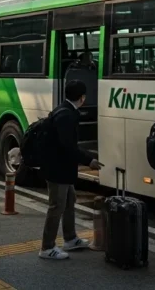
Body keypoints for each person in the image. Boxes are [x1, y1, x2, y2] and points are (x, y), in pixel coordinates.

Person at [39, 80, 101, 260]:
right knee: (57, 205)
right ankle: (47, 247)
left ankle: (70, 238)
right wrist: (89, 159)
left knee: (69, 200)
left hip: (60, 167)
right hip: (57, 168)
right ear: (82, 98)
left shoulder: (64, 110)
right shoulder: (66, 115)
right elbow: (67, 146)